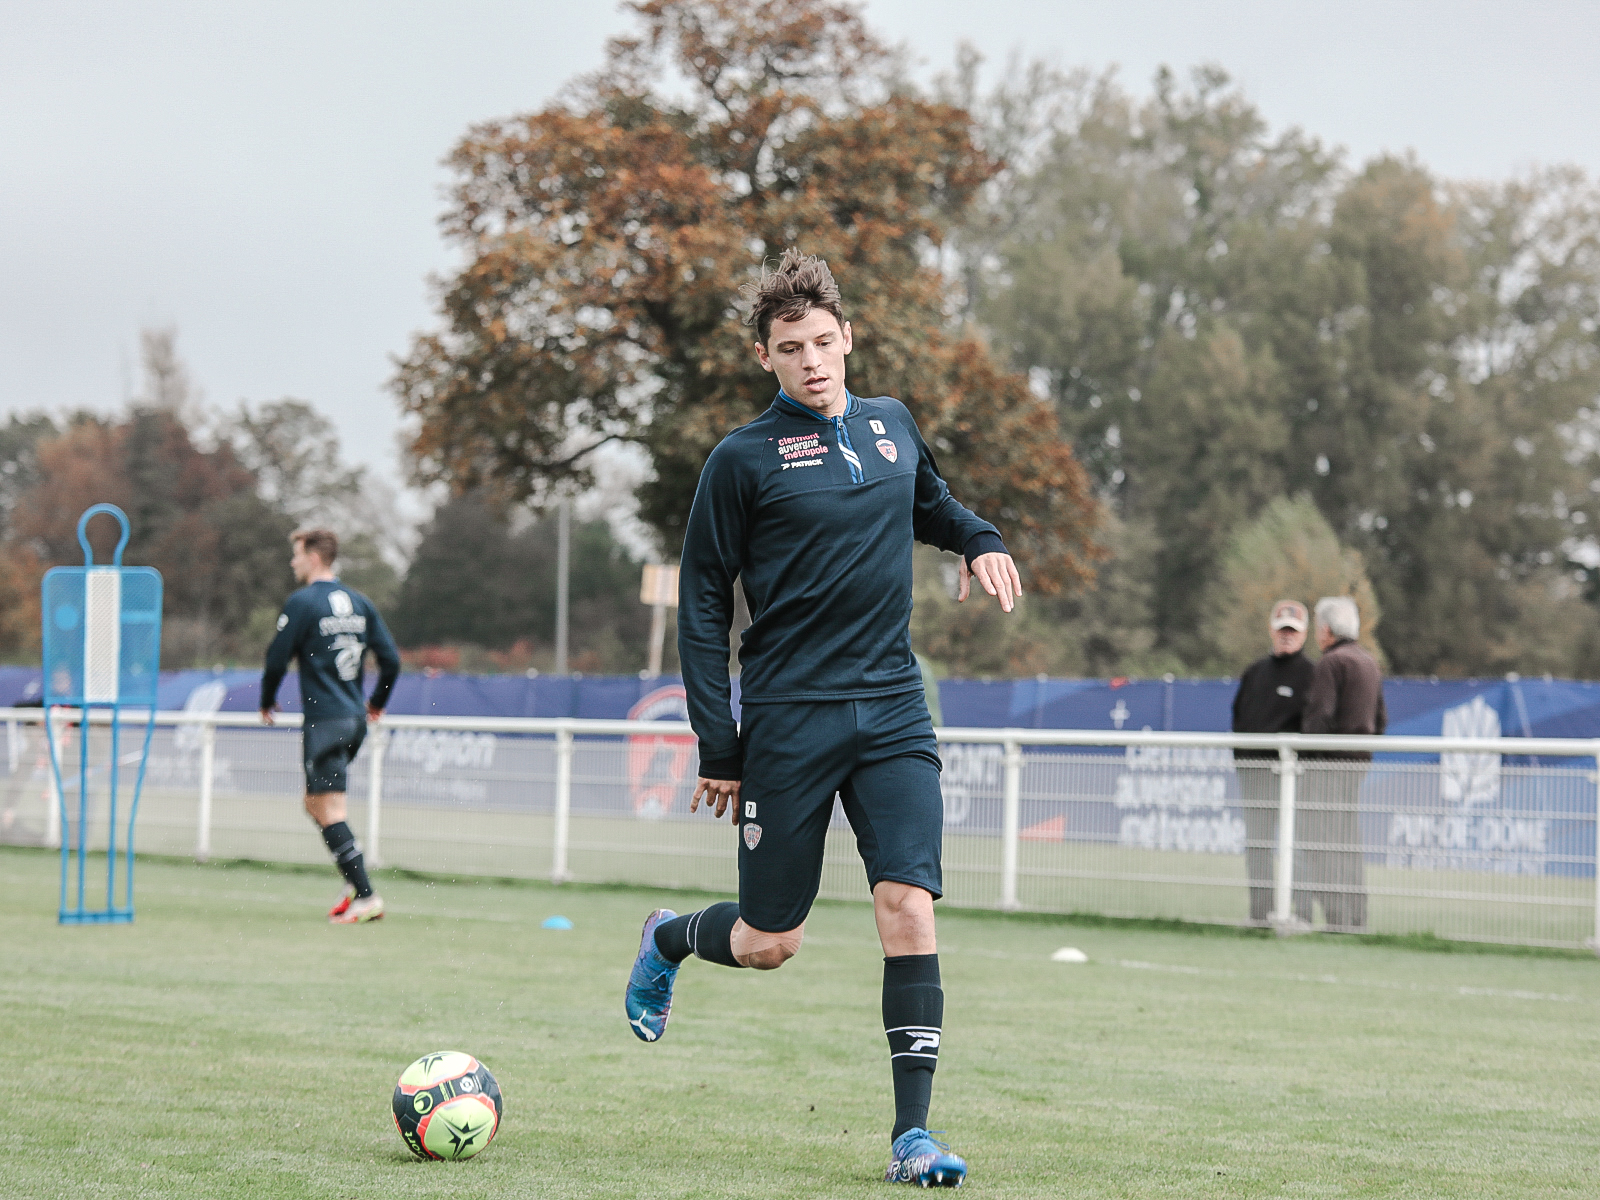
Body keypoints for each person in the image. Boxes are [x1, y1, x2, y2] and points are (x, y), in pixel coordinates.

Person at [623, 249, 1023, 1188]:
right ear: (765, 357)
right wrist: (719, 744)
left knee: (908, 909)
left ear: (849, 339)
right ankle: (667, 938)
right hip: (789, 720)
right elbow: (704, 605)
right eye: (789, 347)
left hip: (892, 708)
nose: (811, 360)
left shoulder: (891, 427)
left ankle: (912, 1138)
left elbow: (934, 505)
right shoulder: (739, 461)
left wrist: (981, 540)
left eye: (822, 342)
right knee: (771, 942)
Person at [260, 529, 400, 924]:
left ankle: (366, 894)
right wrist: (376, 704)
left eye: (297, 555)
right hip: (353, 719)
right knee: (314, 802)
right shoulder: (360, 602)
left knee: (330, 807)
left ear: (314, 558)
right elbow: (391, 661)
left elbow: (276, 659)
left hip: (325, 721)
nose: (293, 562)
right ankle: (353, 880)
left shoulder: (303, 602)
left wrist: (267, 698)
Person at [1299, 595, 1386, 930]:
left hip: (1327, 767)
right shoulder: (1368, 662)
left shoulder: (1331, 664)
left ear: (1325, 630)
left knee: (1321, 843)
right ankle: (1356, 918)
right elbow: (1381, 719)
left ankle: (1336, 917)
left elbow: (1320, 716)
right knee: (1348, 841)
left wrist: (1305, 758)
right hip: (1357, 765)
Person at [1230, 600, 1316, 924]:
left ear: (1304, 633)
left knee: (1298, 846)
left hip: (1294, 776)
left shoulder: (1312, 674)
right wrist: (1243, 761)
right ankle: (1260, 914)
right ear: (1271, 630)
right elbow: (1238, 718)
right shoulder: (1255, 673)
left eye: (1293, 631)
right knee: (1259, 846)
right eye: (1282, 630)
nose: (1287, 636)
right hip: (1255, 775)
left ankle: (1301, 914)